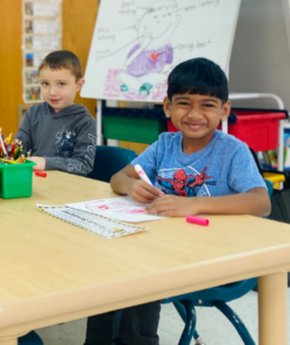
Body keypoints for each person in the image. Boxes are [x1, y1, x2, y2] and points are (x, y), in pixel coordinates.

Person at [86, 57, 271, 345]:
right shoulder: (165, 145)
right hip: (163, 244)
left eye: (207, 105)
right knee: (108, 262)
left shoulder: (233, 151)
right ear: (168, 107)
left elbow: (261, 202)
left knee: (140, 274)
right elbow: (116, 179)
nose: (194, 114)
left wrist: (193, 204)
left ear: (224, 110)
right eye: (184, 103)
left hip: (214, 256)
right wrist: (132, 185)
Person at [16, 50, 97, 176]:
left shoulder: (86, 122)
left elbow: (84, 165)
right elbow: (19, 149)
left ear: (78, 85)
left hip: (67, 188)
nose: (52, 92)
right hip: (36, 183)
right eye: (45, 84)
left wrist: (46, 163)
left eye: (61, 84)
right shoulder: (33, 113)